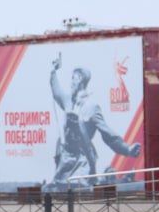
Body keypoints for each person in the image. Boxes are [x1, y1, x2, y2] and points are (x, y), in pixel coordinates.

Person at [49, 56, 141, 188]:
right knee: (59, 192)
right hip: (66, 160)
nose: (71, 83)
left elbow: (107, 134)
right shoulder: (68, 101)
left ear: (80, 79)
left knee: (79, 192)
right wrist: (53, 71)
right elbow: (56, 92)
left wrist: (126, 149)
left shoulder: (92, 107)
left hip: (83, 160)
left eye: (73, 79)